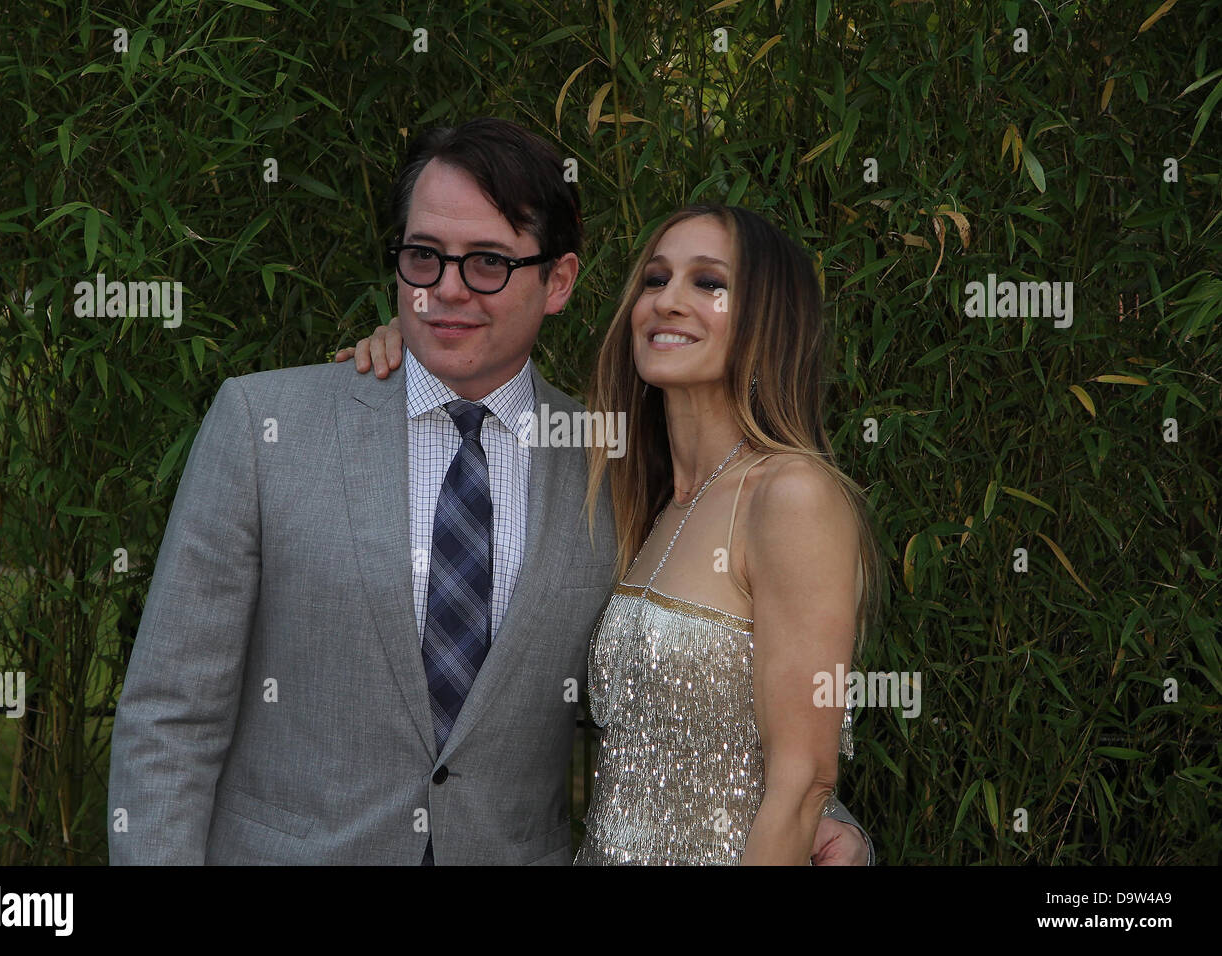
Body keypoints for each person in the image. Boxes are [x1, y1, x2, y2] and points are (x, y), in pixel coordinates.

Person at [110, 115, 872, 864]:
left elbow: (692, 678)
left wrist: (818, 809)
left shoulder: (613, 469)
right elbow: (170, 717)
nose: (445, 290)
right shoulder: (265, 426)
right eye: (423, 258)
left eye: (486, 263)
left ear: (559, 281)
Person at [343, 203, 880, 865]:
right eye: (655, 280)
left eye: (708, 283)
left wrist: (837, 828)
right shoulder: (632, 496)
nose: (668, 301)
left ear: (771, 322)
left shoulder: (790, 496)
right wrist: (412, 346)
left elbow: (802, 783)